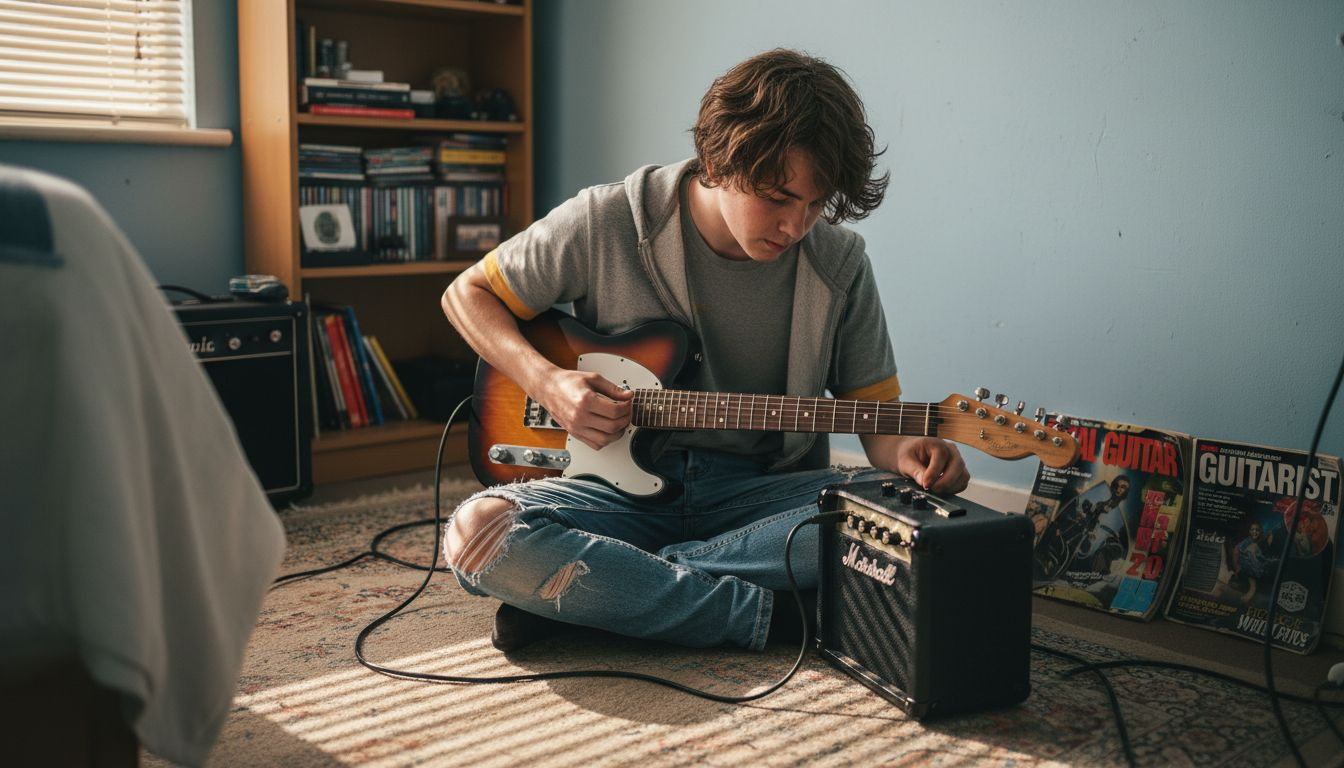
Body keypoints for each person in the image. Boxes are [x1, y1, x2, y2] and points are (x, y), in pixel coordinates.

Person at [439, 49, 969, 653]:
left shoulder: (839, 263)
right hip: (606, 491)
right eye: (777, 197)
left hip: (760, 498)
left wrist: (912, 454)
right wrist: (546, 381)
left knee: (927, 528)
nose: (796, 226)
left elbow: (879, 428)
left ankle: (603, 594)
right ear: (717, 161)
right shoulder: (609, 218)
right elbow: (467, 294)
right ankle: (772, 620)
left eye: (815, 204)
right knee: (479, 534)